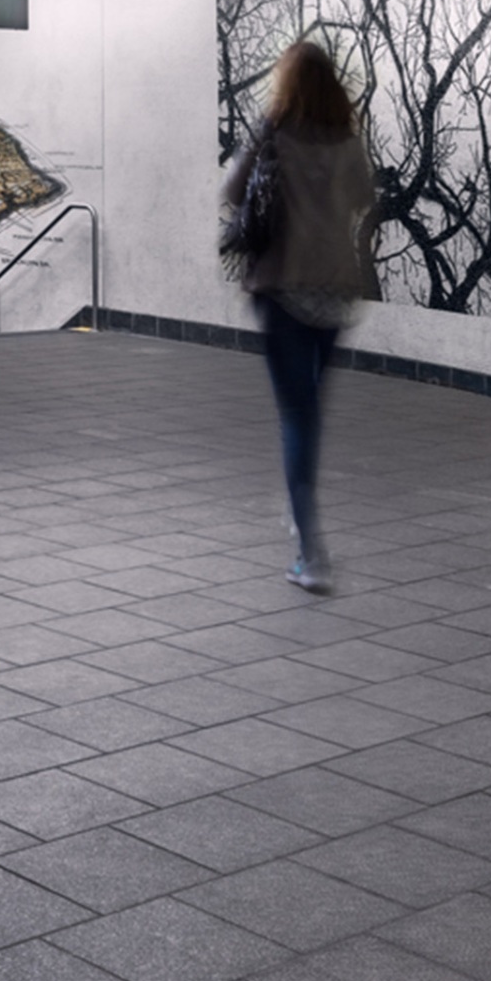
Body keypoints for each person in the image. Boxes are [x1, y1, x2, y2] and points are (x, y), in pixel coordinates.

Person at [221, 41, 377, 592]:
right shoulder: (348, 144)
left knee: (297, 416)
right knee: (311, 409)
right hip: (335, 293)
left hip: (283, 289)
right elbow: (363, 199)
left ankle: (311, 552)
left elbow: (232, 191)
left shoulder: (273, 137)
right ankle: (301, 513)